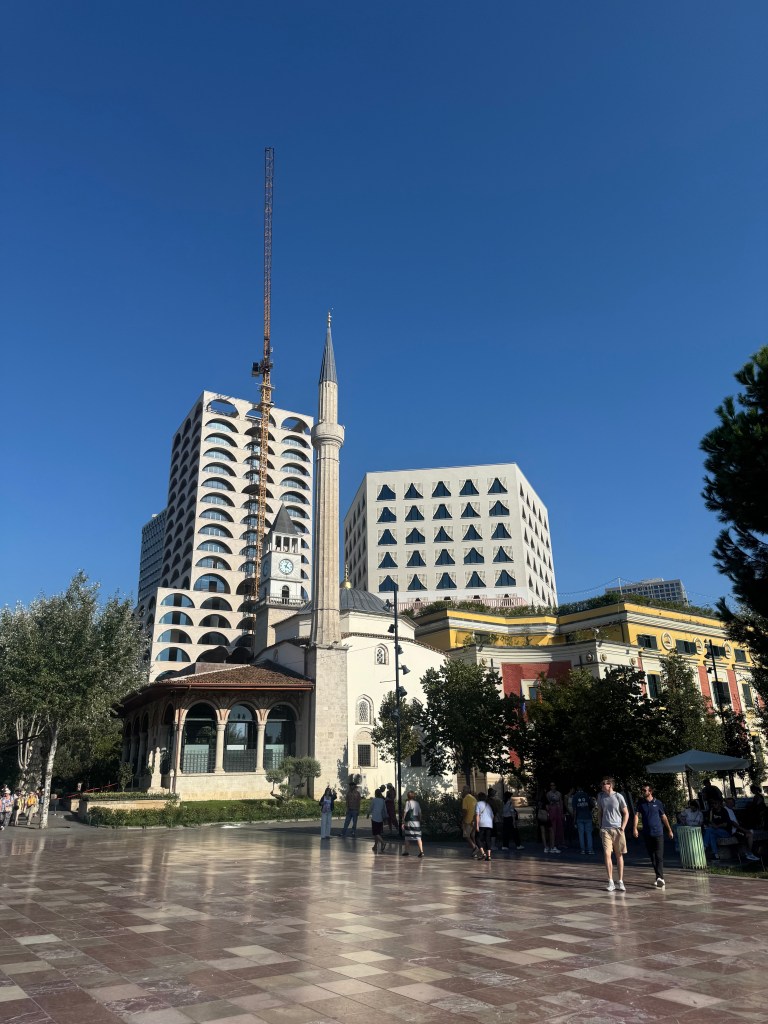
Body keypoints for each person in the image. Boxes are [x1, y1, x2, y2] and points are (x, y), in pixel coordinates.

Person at [632, 782, 674, 887]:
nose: (643, 792)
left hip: (658, 833)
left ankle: (661, 877)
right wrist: (635, 828)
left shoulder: (658, 803)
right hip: (647, 833)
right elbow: (636, 816)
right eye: (642, 790)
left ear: (650, 791)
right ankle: (658, 877)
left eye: (644, 790)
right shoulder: (640, 803)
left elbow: (663, 817)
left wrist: (669, 830)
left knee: (659, 856)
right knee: (652, 856)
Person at [597, 776, 629, 891]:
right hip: (606, 829)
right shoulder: (601, 797)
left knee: (619, 855)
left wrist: (622, 827)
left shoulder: (618, 796)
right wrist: (600, 826)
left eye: (603, 784)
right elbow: (600, 812)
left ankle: (620, 880)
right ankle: (610, 880)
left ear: (609, 785)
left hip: (617, 829)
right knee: (607, 854)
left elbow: (626, 813)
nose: (602, 786)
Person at [571, 785, 595, 855]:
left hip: (579, 817)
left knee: (581, 834)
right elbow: (593, 805)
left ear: (577, 788)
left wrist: (574, 819)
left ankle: (583, 850)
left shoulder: (575, 796)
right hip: (588, 816)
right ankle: (590, 849)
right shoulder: (587, 795)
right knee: (589, 834)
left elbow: (574, 809)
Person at [401, 790, 423, 857]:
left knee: (407, 837)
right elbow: (420, 813)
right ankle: (421, 851)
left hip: (410, 822)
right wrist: (420, 820)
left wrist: (403, 821)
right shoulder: (417, 803)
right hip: (417, 822)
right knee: (418, 837)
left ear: (408, 796)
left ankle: (406, 851)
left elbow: (405, 812)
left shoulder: (408, 802)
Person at [460, 785, 480, 858]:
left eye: (463, 790)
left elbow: (464, 811)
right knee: (472, 836)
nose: (462, 792)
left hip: (468, 820)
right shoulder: (473, 798)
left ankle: (475, 848)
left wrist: (462, 820)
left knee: (466, 835)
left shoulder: (465, 799)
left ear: (465, 791)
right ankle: (475, 852)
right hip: (474, 820)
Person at [474, 792, 494, 861]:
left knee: (477, 838)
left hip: (482, 823)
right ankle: (489, 856)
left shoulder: (478, 804)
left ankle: (483, 854)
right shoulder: (488, 805)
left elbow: (477, 815)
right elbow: (492, 816)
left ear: (478, 798)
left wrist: (477, 825)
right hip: (489, 824)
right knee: (488, 839)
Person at [546, 781, 566, 849]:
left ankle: (560, 842)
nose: (552, 786)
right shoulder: (548, 793)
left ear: (555, 786)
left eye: (553, 785)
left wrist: (562, 812)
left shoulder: (559, 793)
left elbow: (561, 802)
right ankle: (552, 843)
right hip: (552, 811)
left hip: (558, 811)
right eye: (551, 785)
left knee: (560, 827)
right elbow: (547, 803)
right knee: (553, 827)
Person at [369, 786, 388, 854]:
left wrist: (368, 814)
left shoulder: (374, 800)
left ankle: (383, 842)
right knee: (378, 833)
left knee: (375, 833)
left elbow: (370, 808)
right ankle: (375, 846)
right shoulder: (383, 800)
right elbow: (385, 810)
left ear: (375, 794)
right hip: (380, 819)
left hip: (375, 818)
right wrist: (385, 817)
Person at [487, 786, 503, 850]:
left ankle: (488, 845)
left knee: (488, 832)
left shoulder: (486, 800)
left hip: (486, 819)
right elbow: (496, 810)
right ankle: (492, 845)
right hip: (492, 819)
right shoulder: (493, 801)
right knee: (493, 832)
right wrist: (500, 818)